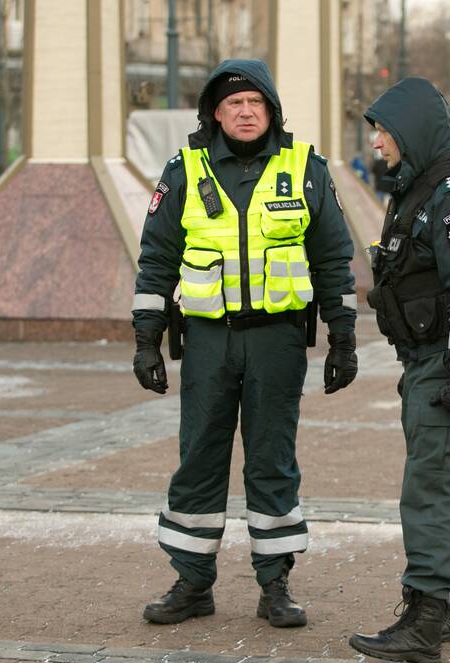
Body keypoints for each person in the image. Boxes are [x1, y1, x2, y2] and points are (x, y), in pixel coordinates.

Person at [131, 59, 359, 629]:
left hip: (278, 342)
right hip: (207, 341)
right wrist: (145, 338)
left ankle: (275, 584)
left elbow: (333, 258)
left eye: (255, 102)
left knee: (272, 460)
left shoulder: (305, 168)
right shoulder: (184, 169)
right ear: (214, 112)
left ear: (273, 110)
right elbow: (156, 258)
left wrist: (344, 337)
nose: (245, 111)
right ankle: (191, 582)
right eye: (233, 103)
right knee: (199, 458)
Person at [349, 77, 450, 663]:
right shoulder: (422, 188)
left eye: (384, 131)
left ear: (412, 129)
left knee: (433, 487)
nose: (378, 142)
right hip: (429, 356)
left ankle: (423, 620)